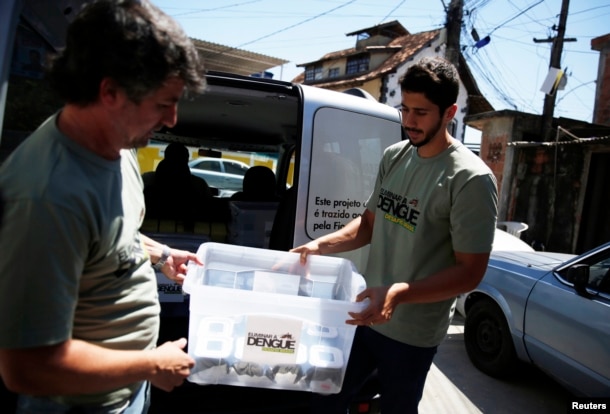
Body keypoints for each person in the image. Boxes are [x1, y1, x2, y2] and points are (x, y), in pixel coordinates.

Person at [0, 1, 206, 413]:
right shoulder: (48, 196)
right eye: (163, 103)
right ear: (109, 92)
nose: (172, 120)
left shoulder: (118, 144)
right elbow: (27, 366)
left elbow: (113, 232)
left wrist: (161, 255)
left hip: (124, 391)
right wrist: (150, 363)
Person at [291, 56, 498, 414]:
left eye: (421, 112)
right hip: (365, 310)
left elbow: (470, 272)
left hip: (413, 332)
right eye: (405, 109)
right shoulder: (394, 156)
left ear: (449, 113)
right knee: (324, 396)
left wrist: (400, 293)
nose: (410, 121)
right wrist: (319, 245)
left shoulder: (471, 180)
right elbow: (369, 224)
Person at [145, 142, 213, 232]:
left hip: (149, 231)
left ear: (166, 155)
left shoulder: (147, 180)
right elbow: (209, 209)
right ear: (187, 159)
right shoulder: (199, 185)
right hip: (190, 233)